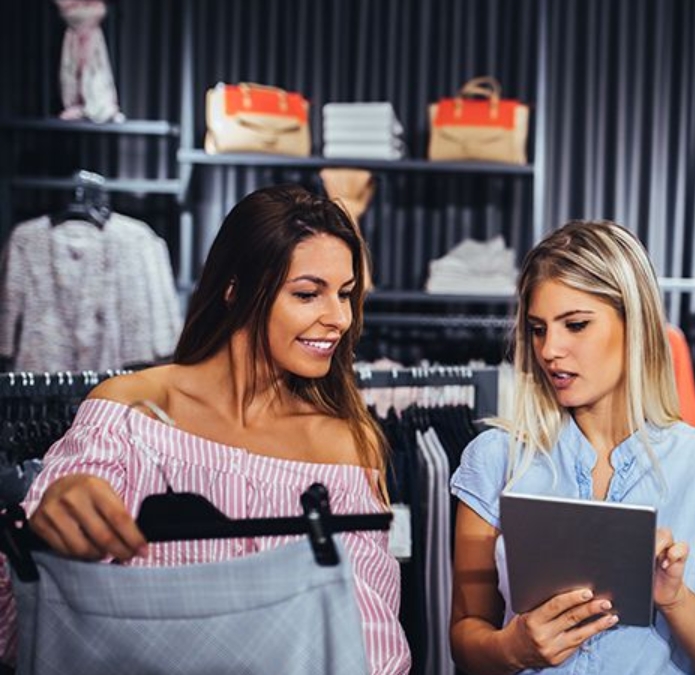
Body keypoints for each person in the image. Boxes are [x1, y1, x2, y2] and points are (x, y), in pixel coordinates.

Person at [0, 184, 411, 674]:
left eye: (345, 295)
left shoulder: (343, 446)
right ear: (235, 288)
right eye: (307, 294)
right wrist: (52, 525)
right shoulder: (132, 416)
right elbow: (25, 617)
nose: (340, 319)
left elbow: (373, 648)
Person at [448, 220, 695, 675]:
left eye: (575, 325)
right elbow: (464, 636)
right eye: (538, 329)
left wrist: (675, 600)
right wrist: (514, 648)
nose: (550, 350)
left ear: (632, 324)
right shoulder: (495, 459)